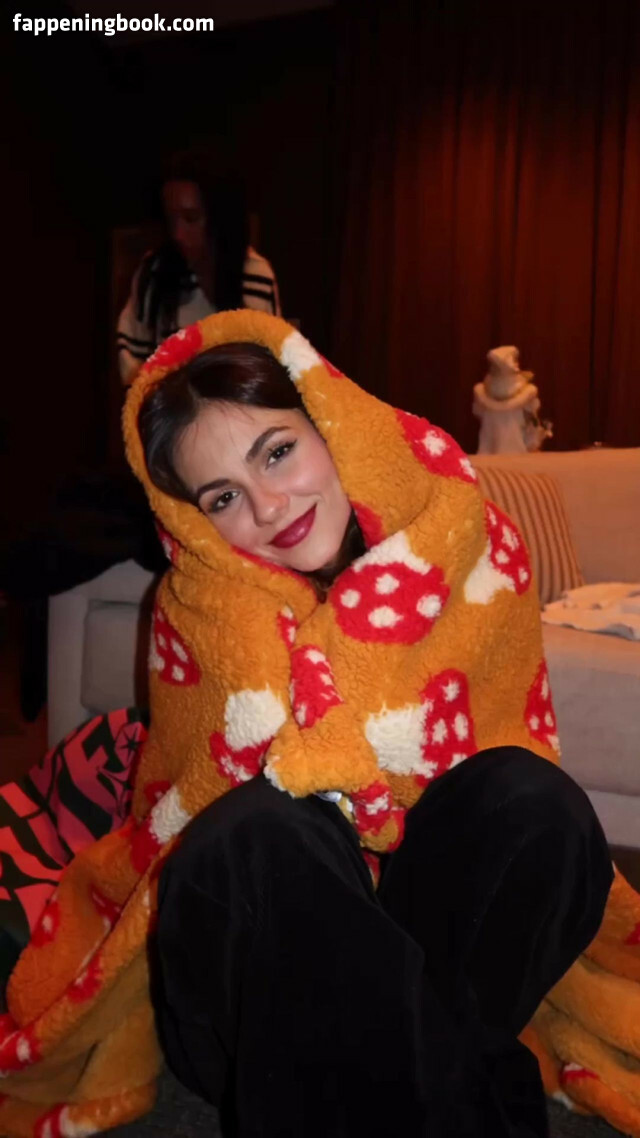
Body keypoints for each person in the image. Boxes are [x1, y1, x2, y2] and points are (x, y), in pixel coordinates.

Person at [134, 328, 613, 1137]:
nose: (267, 507)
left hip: (429, 953)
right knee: (261, 832)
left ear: (336, 424)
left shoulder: (468, 552)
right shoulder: (197, 609)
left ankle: (415, 1080)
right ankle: (460, 1095)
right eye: (221, 498)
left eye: (276, 453)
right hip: (255, 1000)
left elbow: (497, 790)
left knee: (539, 806)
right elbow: (203, 828)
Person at [117, 172, 281, 385]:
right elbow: (132, 359)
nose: (177, 234)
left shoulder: (256, 275)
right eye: (171, 219)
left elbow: (268, 365)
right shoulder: (154, 272)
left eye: (191, 219)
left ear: (219, 219)